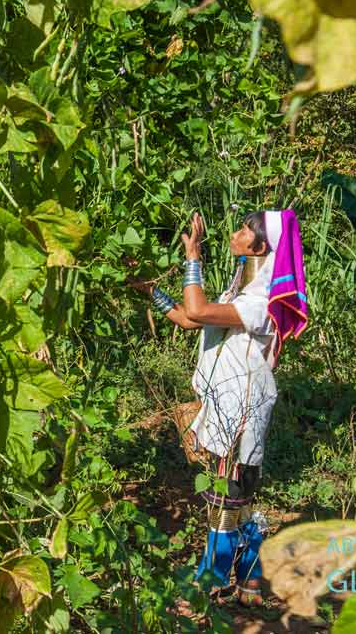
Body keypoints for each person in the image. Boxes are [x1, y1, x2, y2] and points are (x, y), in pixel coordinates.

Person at [130, 209, 309, 606]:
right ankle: (250, 581)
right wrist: (150, 292)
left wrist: (193, 257)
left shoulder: (262, 300)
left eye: (245, 229)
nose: (236, 233)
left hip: (241, 407)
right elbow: (189, 320)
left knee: (226, 498)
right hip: (226, 401)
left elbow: (196, 310)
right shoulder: (239, 293)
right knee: (238, 500)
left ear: (260, 246)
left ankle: (206, 582)